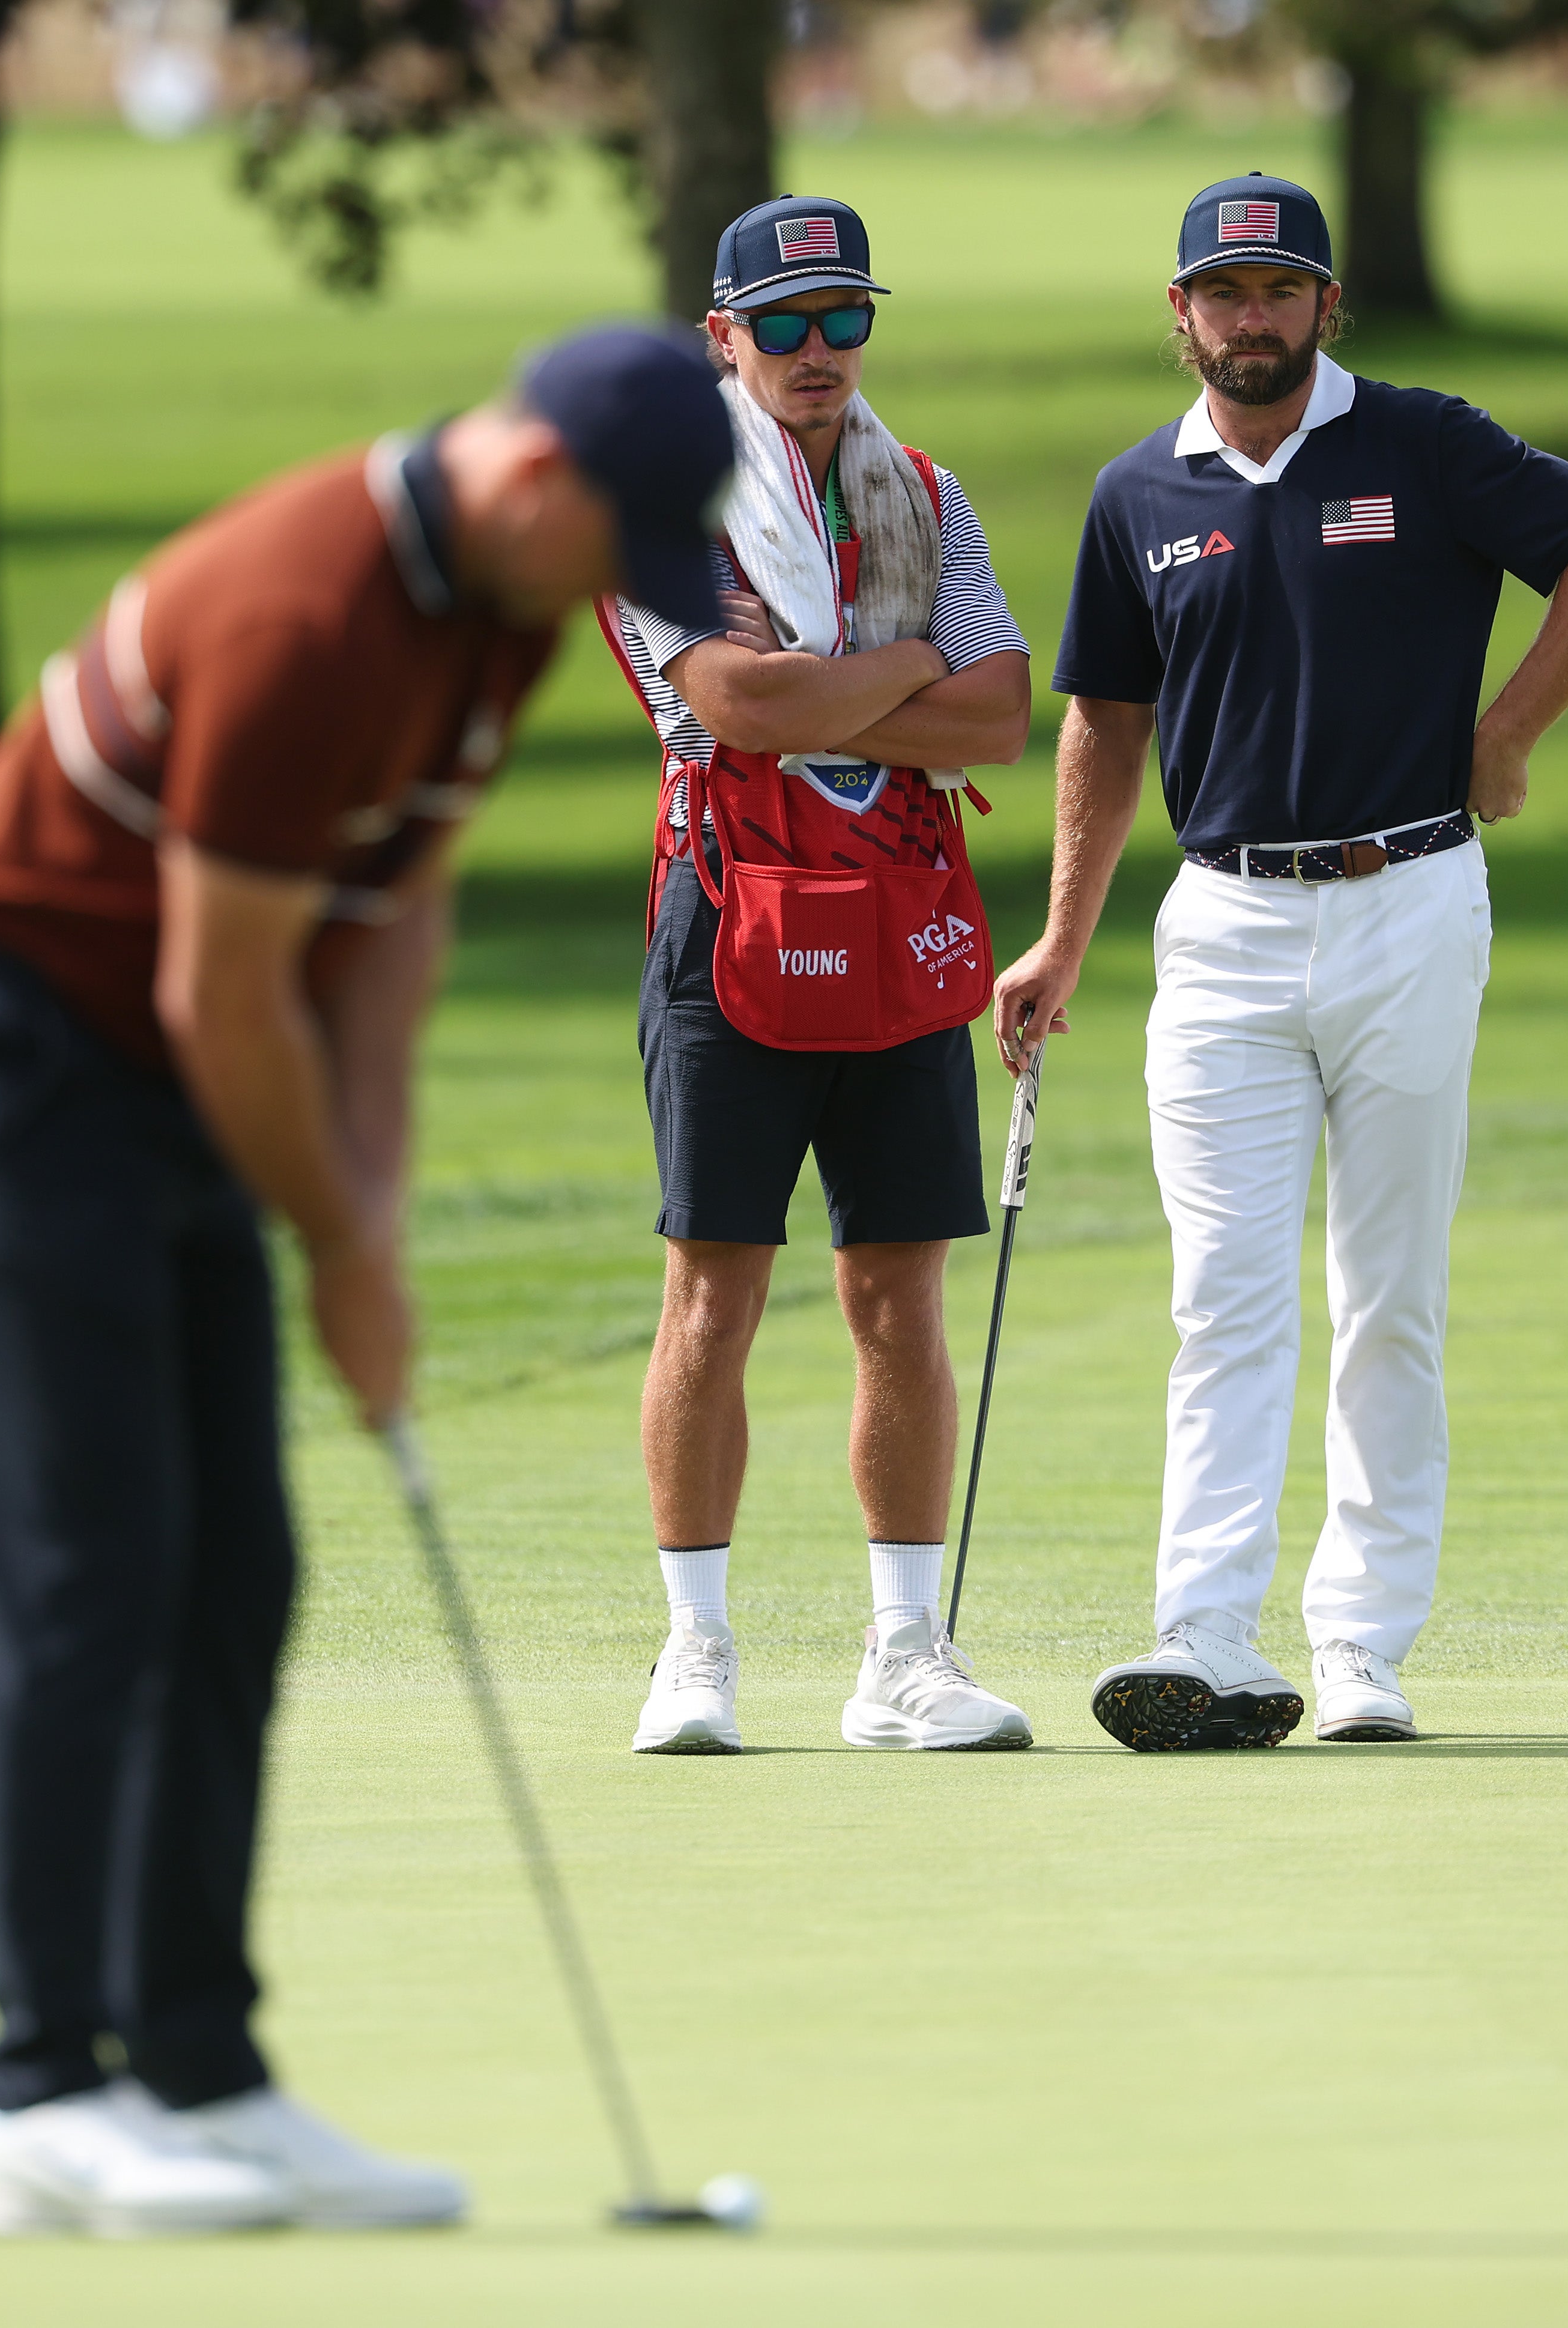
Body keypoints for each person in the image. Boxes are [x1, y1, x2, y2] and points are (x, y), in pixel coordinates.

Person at [0, 329, 734, 2233]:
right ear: (532, 475)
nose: (612, 587)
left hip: (146, 1083)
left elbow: (388, 921)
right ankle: (32, 2096)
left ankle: (200, 2072)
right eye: (614, 544)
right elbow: (222, 990)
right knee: (87, 1578)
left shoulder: (492, 613)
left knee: (232, 1570)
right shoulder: (305, 610)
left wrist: (373, 1219)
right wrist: (330, 1244)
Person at [993, 174, 1568, 1752]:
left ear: (1325, 305)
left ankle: (1361, 1641)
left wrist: (1508, 729)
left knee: (1388, 1295)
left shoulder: (1423, 445)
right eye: (1224, 293)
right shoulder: (1135, 494)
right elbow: (1103, 722)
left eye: (1280, 290)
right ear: (1180, 313)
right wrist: (1064, 935)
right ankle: (1205, 1632)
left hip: (1408, 899)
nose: (1253, 318)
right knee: (1221, 1298)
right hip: (1221, 928)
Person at [598, 195, 1038, 1756]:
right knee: (712, 1287)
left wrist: (834, 690)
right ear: (721, 337)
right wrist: (906, 670)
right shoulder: (658, 503)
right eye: (780, 324)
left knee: (897, 1291)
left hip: (896, 916)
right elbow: (735, 702)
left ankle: (903, 1654)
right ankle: (694, 1650)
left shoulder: (924, 493)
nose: (816, 350)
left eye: (843, 317)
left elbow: (1001, 717)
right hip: (728, 920)